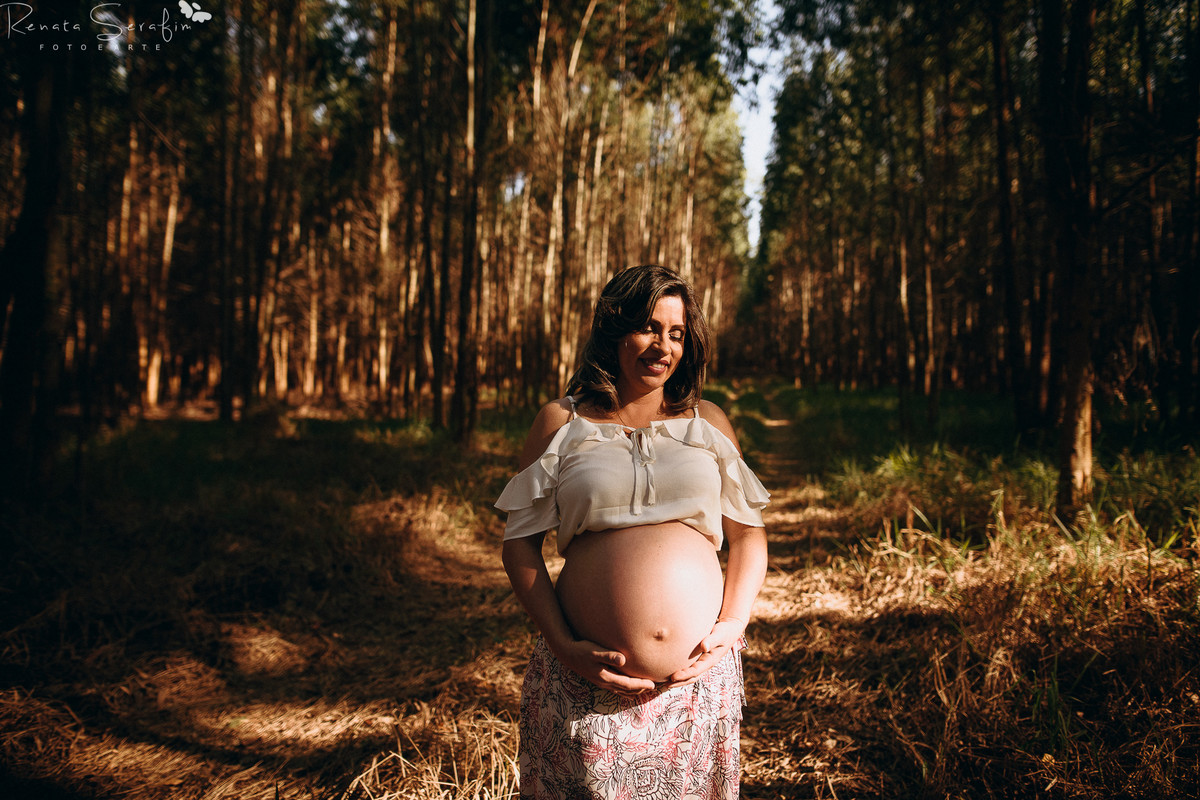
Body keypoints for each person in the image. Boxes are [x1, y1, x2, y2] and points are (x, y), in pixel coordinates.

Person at [495, 264, 770, 799]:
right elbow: (519, 546)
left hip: (694, 686)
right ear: (615, 328)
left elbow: (748, 537)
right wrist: (564, 645)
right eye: (649, 327)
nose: (663, 346)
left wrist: (733, 624)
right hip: (585, 685)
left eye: (677, 333)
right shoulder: (561, 422)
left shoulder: (708, 421)